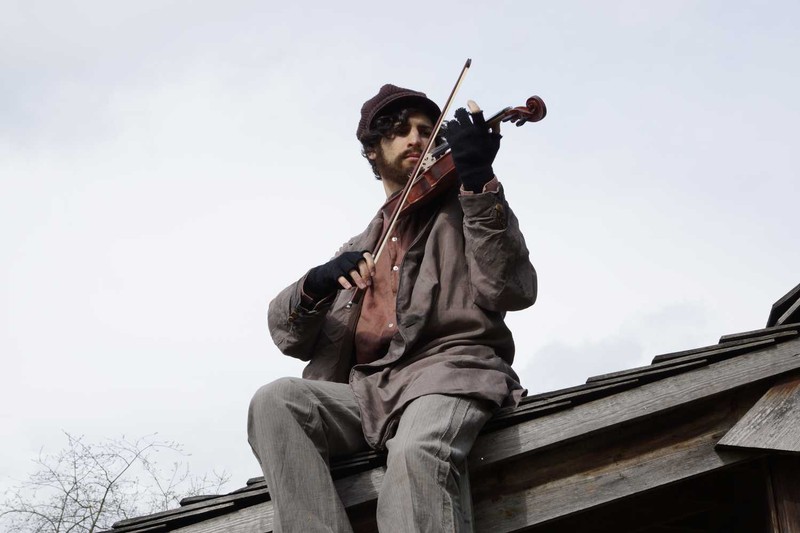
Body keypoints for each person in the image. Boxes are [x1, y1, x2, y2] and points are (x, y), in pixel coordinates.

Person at [248, 83, 537, 533]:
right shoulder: (361, 246)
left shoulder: (466, 208)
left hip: (449, 372)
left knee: (416, 452)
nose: (416, 139)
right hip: (369, 391)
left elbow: (512, 289)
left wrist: (479, 179)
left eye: (426, 130)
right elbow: (287, 335)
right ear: (372, 150)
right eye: (400, 131)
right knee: (276, 401)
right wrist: (317, 281)